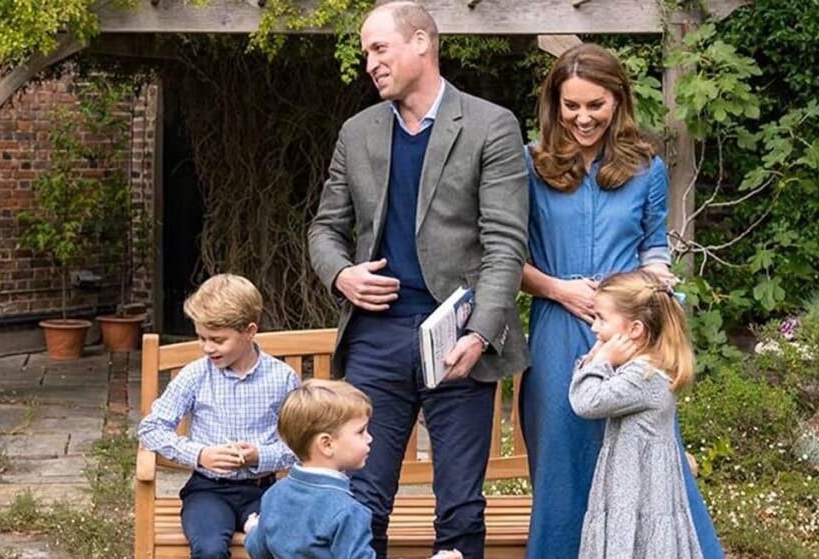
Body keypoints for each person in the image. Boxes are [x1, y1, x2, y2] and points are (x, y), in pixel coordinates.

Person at [306, 2, 529, 558]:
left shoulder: (490, 125)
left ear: (423, 44)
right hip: (376, 340)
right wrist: (342, 275)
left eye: (380, 49)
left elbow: (505, 245)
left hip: (459, 340)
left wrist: (479, 335)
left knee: (459, 508)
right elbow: (324, 230)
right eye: (366, 54)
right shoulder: (357, 132)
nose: (370, 64)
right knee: (360, 502)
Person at [518, 43, 724, 558]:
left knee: (648, 461)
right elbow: (504, 258)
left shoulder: (646, 168)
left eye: (595, 106)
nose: (583, 118)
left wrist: (656, 280)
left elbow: (653, 245)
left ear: (618, 102)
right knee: (562, 465)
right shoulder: (529, 164)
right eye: (571, 106)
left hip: (631, 336)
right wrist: (557, 287)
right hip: (558, 329)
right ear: (554, 105)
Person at [137, 273, 300, 559]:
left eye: (218, 339)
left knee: (282, 544)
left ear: (250, 331)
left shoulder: (282, 378)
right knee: (209, 549)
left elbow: (301, 446)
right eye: (202, 338)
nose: (208, 347)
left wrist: (260, 456)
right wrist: (200, 454)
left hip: (264, 492)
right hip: (207, 491)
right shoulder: (196, 375)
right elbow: (151, 428)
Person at [244, 379, 462, 559]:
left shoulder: (274, 495)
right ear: (327, 444)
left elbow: (258, 549)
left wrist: (253, 528)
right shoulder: (348, 511)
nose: (370, 438)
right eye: (361, 432)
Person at [569, 270, 702, 559]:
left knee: (639, 546)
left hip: (639, 491)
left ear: (635, 330)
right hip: (634, 486)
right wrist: (599, 359)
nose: (594, 327)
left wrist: (599, 360)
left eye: (602, 319)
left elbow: (585, 402)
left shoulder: (643, 375)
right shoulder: (644, 368)